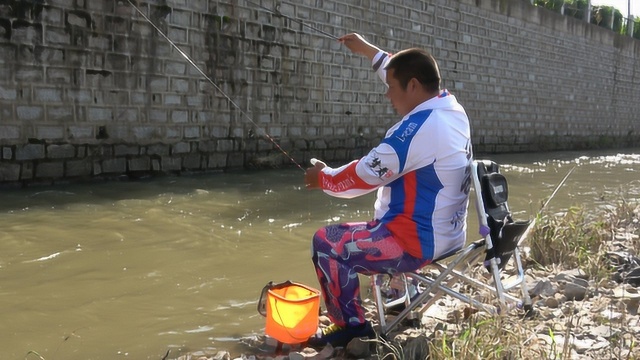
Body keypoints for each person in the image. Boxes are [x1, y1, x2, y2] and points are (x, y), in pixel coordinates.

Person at [303, 33, 473, 348]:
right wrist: (369, 51)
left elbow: (363, 176)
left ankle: (352, 327)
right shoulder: (450, 109)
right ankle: (401, 299)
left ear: (412, 87)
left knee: (327, 243)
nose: (387, 95)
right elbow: (400, 71)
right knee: (383, 217)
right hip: (450, 235)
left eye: (390, 88)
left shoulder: (416, 131)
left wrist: (323, 178)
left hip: (416, 244)